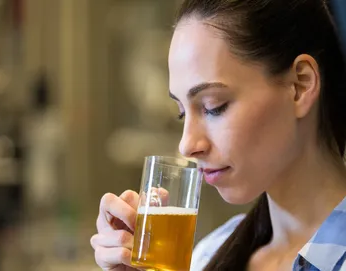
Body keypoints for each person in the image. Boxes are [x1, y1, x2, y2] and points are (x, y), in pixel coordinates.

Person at [90, 0, 346, 270]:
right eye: (181, 113)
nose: (187, 145)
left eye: (213, 107)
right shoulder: (207, 255)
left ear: (300, 85)